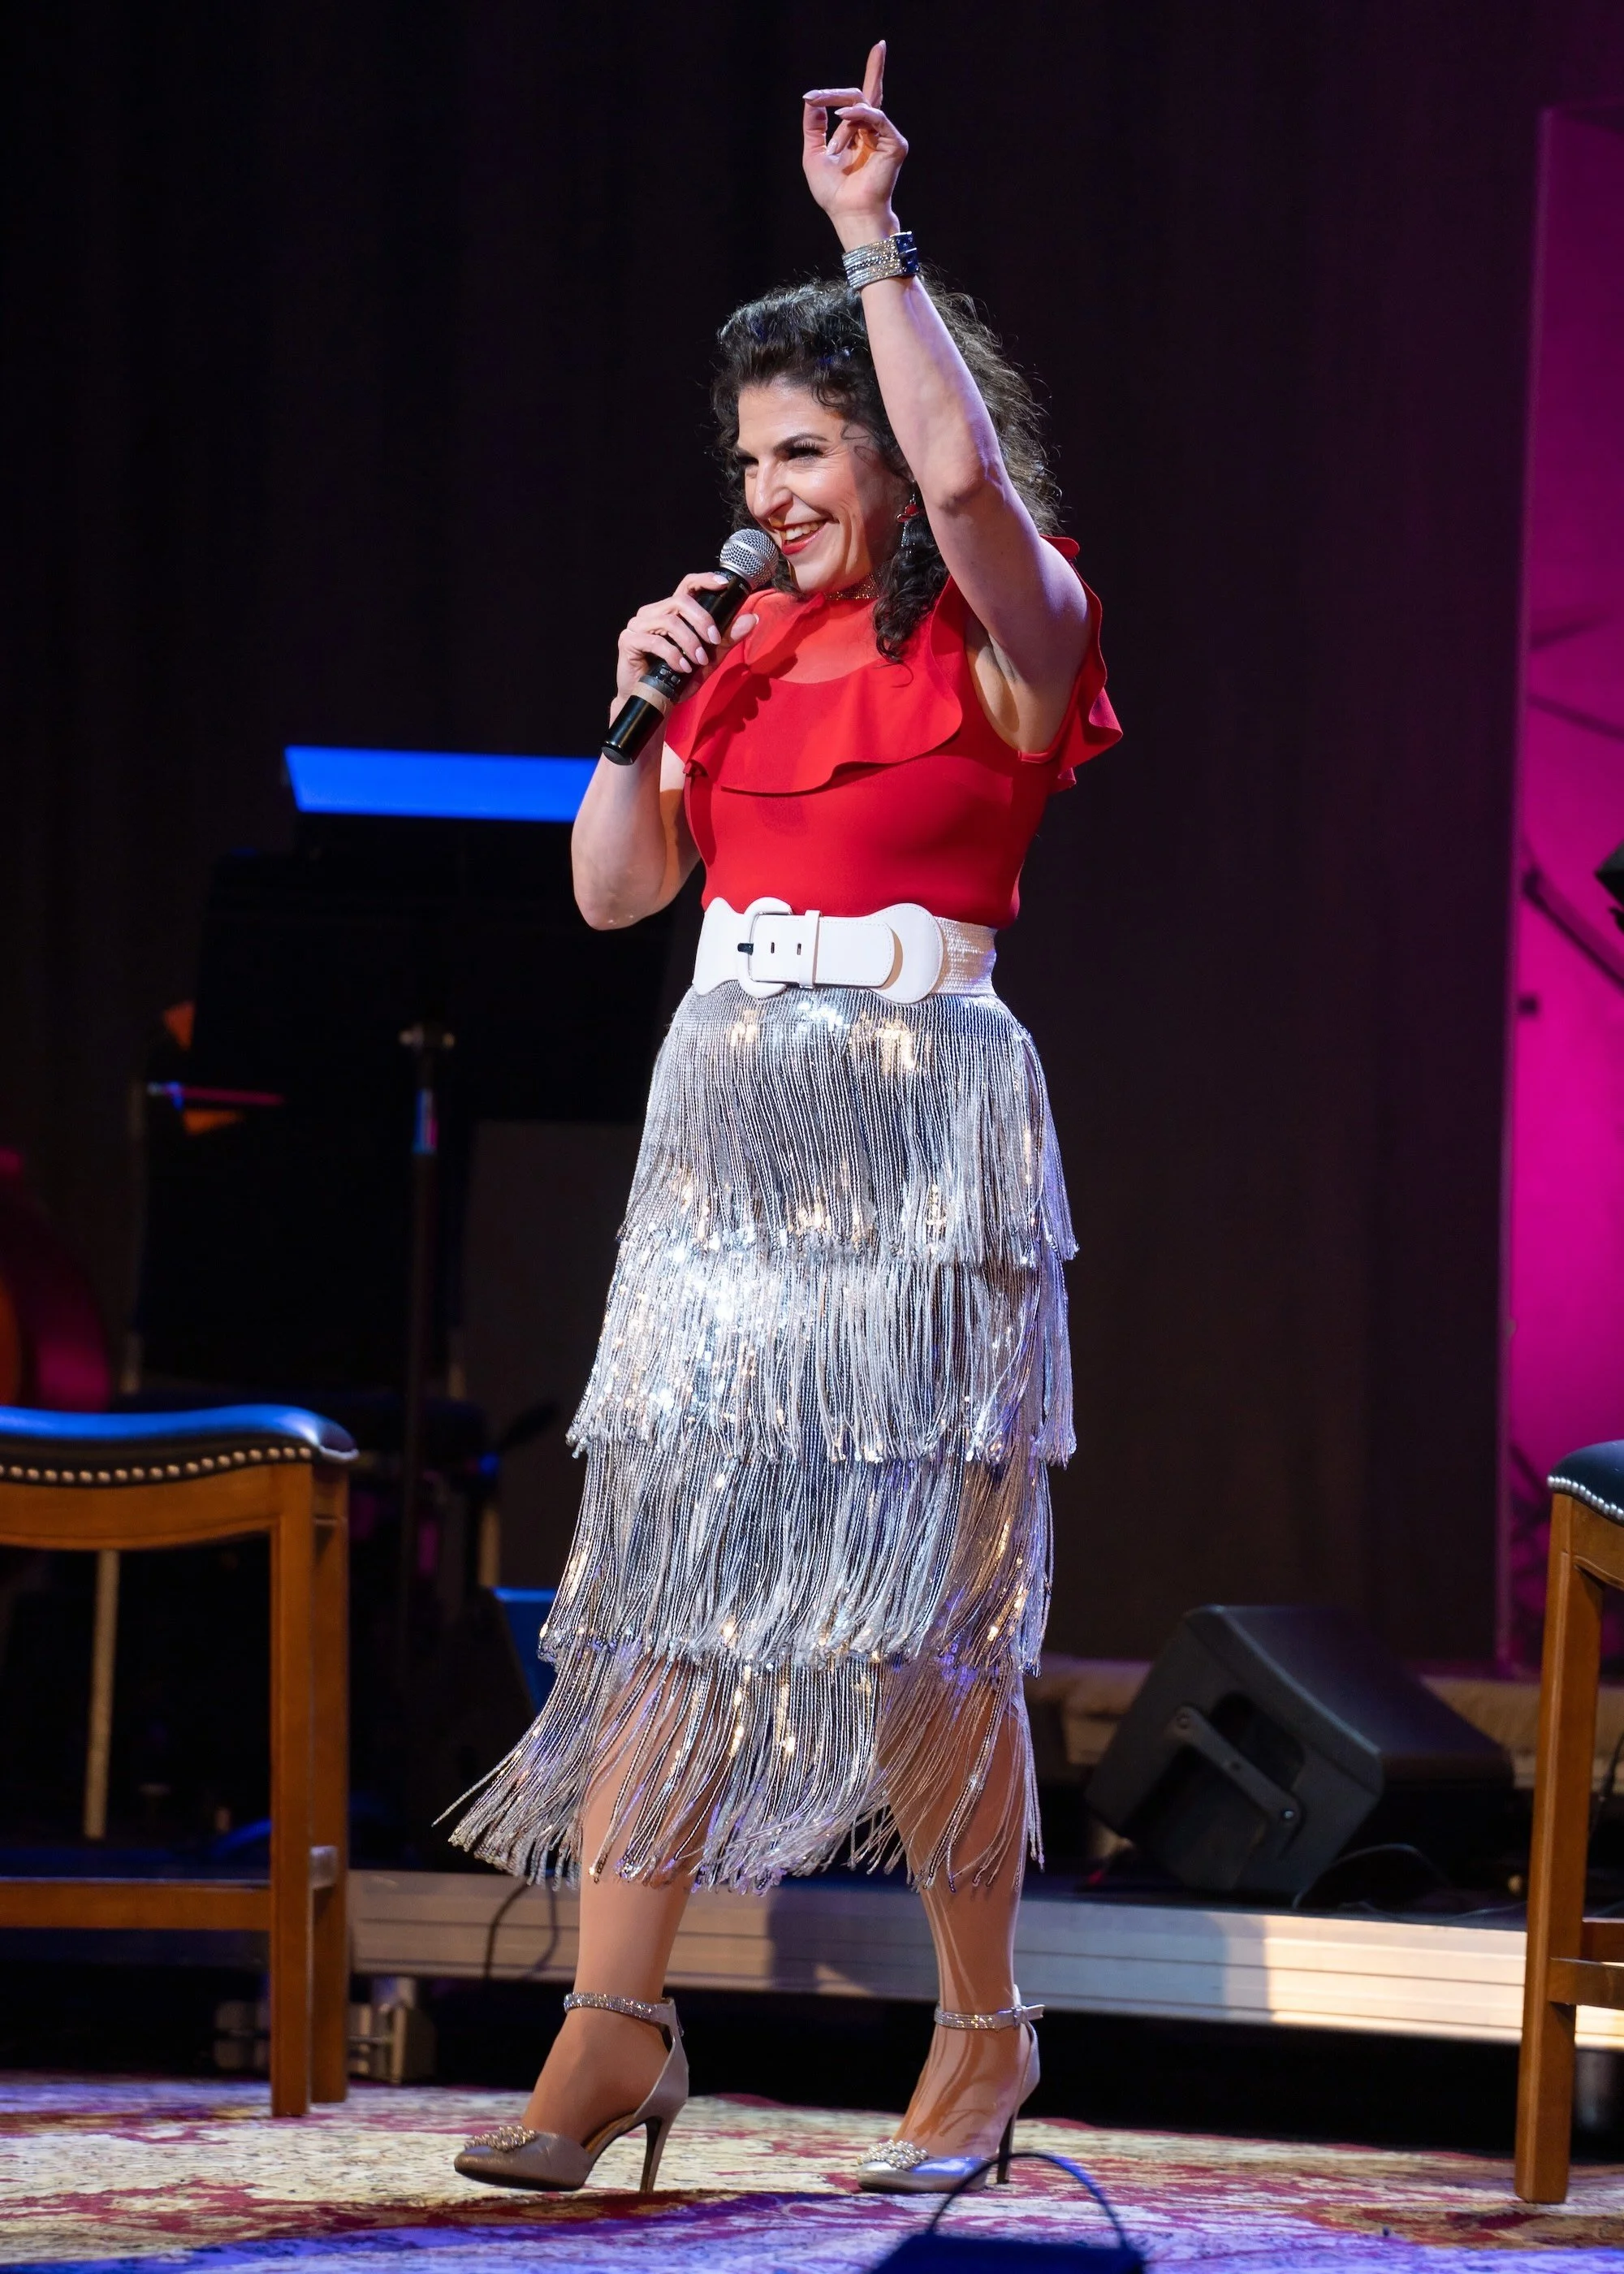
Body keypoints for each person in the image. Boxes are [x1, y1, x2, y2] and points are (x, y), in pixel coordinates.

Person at [451, 41, 1120, 2198]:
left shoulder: (1016, 622)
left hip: (923, 1143)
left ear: (898, 453)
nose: (777, 490)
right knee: (655, 1588)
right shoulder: (730, 651)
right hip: (729, 1148)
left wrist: (868, 245)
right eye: (754, 455)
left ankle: (986, 2032)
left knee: (924, 1616)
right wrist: (634, 728)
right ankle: (613, 2028)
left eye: (807, 446)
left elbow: (972, 490)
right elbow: (614, 894)